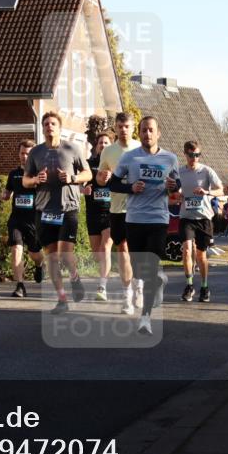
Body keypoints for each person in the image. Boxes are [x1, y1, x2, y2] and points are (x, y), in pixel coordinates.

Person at [108, 116, 179, 333]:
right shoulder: (130, 157)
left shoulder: (170, 158)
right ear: (139, 133)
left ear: (158, 133)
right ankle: (159, 278)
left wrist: (173, 185)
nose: (147, 134)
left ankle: (145, 317)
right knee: (140, 271)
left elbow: (177, 186)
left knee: (150, 265)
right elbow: (112, 183)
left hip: (158, 219)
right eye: (144, 130)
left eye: (151, 130)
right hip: (134, 219)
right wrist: (131, 188)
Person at [23, 111, 91, 315]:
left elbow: (88, 173)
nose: (49, 126)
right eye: (45, 124)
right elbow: (25, 180)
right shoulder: (35, 152)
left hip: (68, 207)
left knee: (65, 254)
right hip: (44, 210)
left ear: (59, 128)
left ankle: (75, 278)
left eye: (53, 123)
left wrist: (71, 178)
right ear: (42, 129)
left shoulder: (72, 148)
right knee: (51, 257)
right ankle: (62, 299)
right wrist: (35, 180)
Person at [97, 112, 142, 315]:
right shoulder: (108, 152)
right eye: (120, 126)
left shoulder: (142, 149)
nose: (123, 130)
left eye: (127, 126)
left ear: (133, 128)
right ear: (115, 128)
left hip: (140, 208)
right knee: (122, 249)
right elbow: (99, 179)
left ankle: (139, 284)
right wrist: (102, 177)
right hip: (117, 209)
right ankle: (127, 296)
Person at [176, 140, 223, 302]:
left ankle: (204, 286)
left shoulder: (207, 171)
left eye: (197, 155)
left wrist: (207, 192)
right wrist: (176, 195)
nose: (194, 158)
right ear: (185, 154)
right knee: (187, 250)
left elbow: (221, 189)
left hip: (204, 218)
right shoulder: (179, 172)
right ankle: (189, 285)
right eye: (191, 155)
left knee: (201, 256)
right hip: (186, 217)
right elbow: (172, 191)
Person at [2, 139, 45, 297]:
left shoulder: (40, 174)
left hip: (34, 221)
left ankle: (40, 265)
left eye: (28, 153)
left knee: (35, 254)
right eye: (22, 153)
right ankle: (20, 285)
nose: (24, 156)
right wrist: (4, 195)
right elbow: (7, 192)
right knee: (16, 249)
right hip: (16, 220)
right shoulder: (13, 174)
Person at [82, 132, 113, 301]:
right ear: (96, 146)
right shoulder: (89, 164)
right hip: (92, 214)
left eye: (107, 142)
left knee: (106, 247)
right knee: (97, 254)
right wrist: (83, 191)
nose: (103, 145)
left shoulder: (116, 164)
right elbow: (79, 185)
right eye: (101, 142)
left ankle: (102, 286)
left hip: (110, 213)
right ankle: (104, 273)